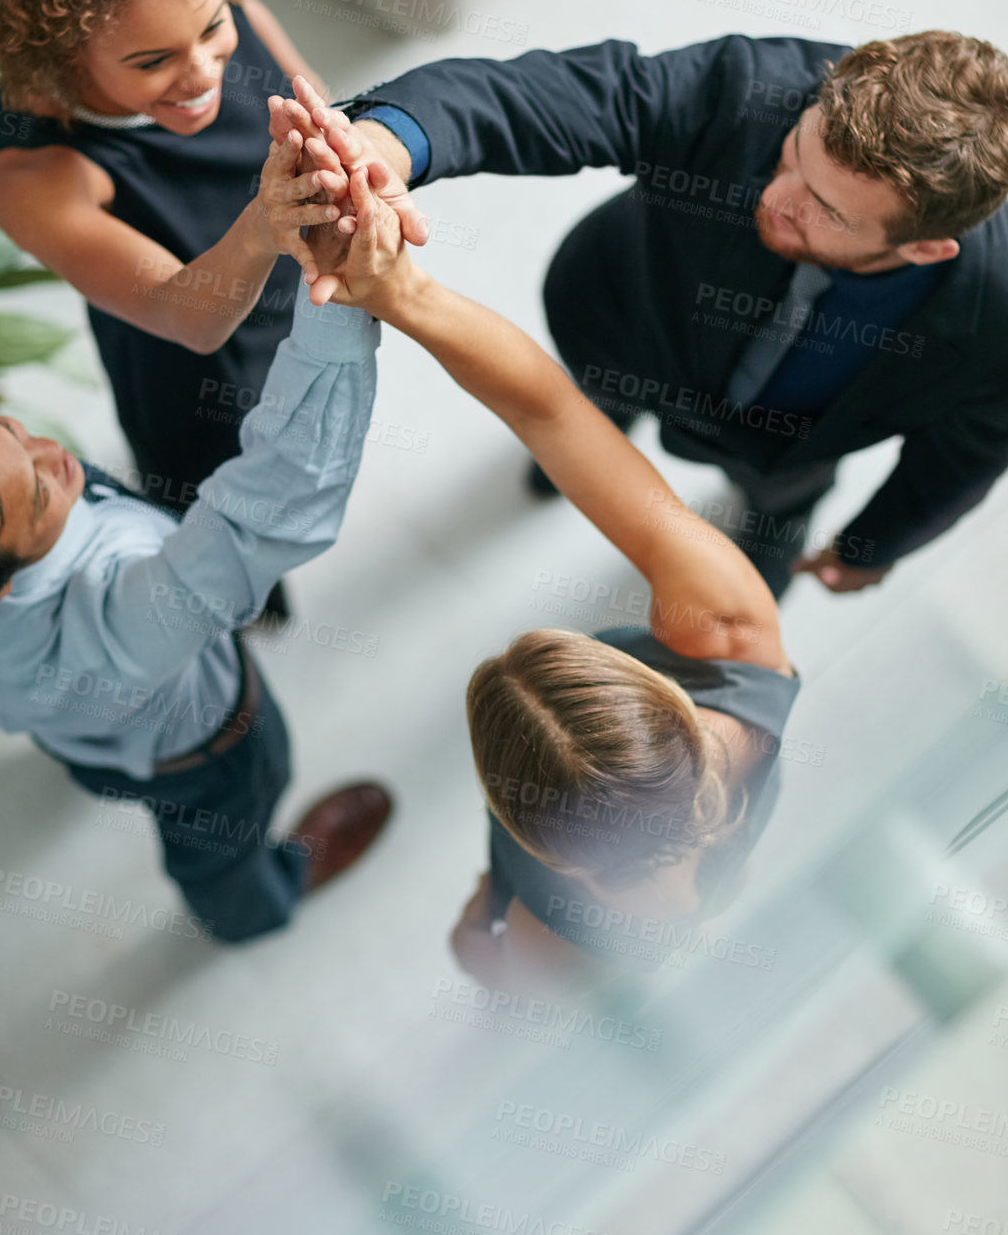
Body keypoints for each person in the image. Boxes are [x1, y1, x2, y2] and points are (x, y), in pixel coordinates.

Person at [282, 126, 800, 990]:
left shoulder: (563, 926)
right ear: (661, 707)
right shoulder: (733, 628)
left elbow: (485, 964)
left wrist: (488, 905)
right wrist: (397, 291)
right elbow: (555, 416)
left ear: (535, 842)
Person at [293, 30, 1008, 598]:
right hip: (622, 325)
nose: (776, 199)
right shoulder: (751, 87)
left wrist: (874, 545)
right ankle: (584, 446)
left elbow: (962, 459)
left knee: (775, 517)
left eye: (825, 210)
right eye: (791, 156)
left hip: (780, 447)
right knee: (588, 413)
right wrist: (384, 144)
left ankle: (764, 540)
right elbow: (559, 96)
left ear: (926, 249)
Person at [0, 133, 392, 944]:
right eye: (40, 488)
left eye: (5, 429)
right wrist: (341, 297)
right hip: (200, 755)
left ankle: (91, 760)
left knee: (84, 746)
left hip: (67, 731)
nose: (55, 451)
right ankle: (258, 903)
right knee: (218, 848)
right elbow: (281, 496)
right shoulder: (122, 627)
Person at [0, 0, 425, 543]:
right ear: (63, 54)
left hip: (299, 291)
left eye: (213, 26)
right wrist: (270, 221)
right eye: (152, 61)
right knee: (230, 515)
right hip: (202, 369)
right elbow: (185, 317)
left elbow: (323, 108)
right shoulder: (33, 175)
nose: (202, 70)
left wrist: (354, 166)